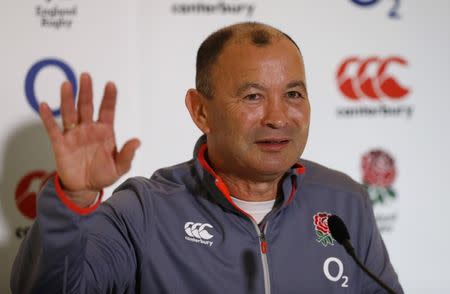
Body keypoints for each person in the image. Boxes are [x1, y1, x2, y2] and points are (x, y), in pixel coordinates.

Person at [11, 22, 403, 293]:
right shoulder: (144, 212)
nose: (279, 116)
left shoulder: (344, 200)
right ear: (200, 111)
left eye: (294, 94)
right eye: (253, 96)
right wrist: (73, 200)